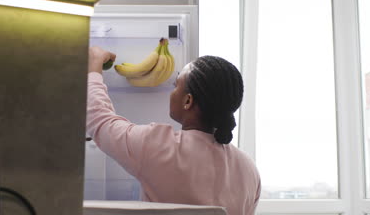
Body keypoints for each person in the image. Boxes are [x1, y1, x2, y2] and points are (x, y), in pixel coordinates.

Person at [86, 46, 261, 215]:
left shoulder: (156, 146)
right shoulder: (249, 170)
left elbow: (100, 120)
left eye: (176, 85)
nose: (172, 92)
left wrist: (94, 66)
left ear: (188, 101)